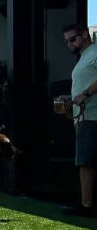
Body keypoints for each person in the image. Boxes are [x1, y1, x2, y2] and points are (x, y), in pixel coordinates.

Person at [62, 23, 97, 218]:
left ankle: (86, 206)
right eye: (67, 41)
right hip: (84, 117)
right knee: (86, 162)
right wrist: (72, 98)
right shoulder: (84, 58)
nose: (69, 44)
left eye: (72, 39)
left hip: (92, 117)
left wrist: (85, 94)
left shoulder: (94, 52)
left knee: (86, 163)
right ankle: (87, 204)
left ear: (85, 34)